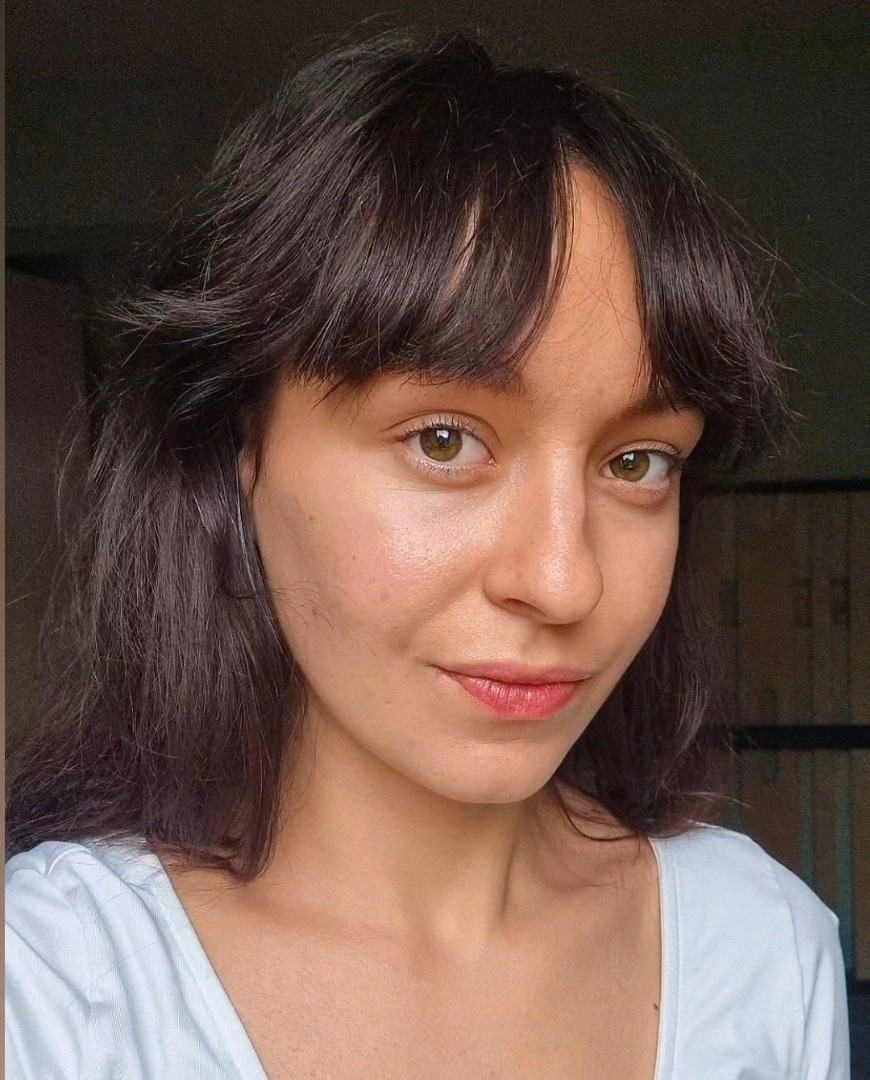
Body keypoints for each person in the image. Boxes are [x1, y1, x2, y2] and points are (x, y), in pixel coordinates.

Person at [5, 28, 850, 1080]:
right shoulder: (53, 993)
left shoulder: (761, 952)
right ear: (238, 447)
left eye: (636, 462)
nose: (563, 581)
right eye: (444, 441)